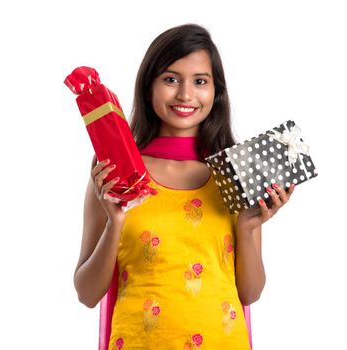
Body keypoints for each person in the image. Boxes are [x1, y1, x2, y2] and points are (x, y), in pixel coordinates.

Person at [73, 23, 295, 350]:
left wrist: (248, 228)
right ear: (149, 87)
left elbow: (250, 293)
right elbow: (86, 293)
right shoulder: (117, 172)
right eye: (171, 79)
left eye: (200, 81)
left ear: (216, 92)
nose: (186, 95)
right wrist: (115, 221)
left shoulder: (235, 173)